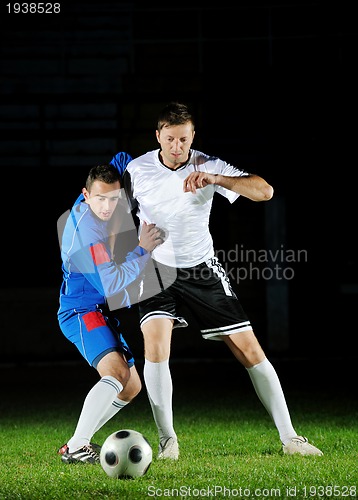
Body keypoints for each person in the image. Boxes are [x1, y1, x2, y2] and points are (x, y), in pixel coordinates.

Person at [121, 101, 323, 460]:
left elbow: (265, 191)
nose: (177, 147)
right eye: (170, 139)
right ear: (158, 136)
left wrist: (216, 179)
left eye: (183, 139)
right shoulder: (137, 170)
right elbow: (118, 219)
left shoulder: (208, 164)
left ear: (192, 136)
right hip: (157, 271)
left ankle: (291, 438)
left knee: (250, 350)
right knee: (155, 347)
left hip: (202, 270)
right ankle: (168, 440)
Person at [56, 163, 163, 464]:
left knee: (130, 387)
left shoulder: (92, 201)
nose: (107, 206)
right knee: (116, 373)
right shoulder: (86, 235)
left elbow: (120, 158)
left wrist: (145, 165)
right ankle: (78, 445)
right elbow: (110, 283)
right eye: (100, 199)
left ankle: (77, 441)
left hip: (96, 310)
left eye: (113, 198)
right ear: (85, 196)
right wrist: (141, 250)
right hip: (81, 311)